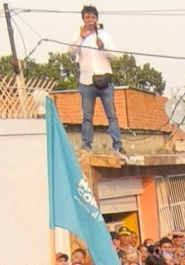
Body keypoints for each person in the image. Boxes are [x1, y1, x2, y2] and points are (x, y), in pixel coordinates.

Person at [68, 5, 122, 154]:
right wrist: (81, 37)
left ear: (97, 19)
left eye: (92, 17)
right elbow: (70, 51)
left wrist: (103, 46)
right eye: (87, 17)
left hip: (104, 81)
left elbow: (116, 56)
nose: (90, 20)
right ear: (83, 19)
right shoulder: (79, 35)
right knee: (87, 116)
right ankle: (87, 145)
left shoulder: (104, 35)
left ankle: (117, 145)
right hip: (86, 82)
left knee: (111, 115)